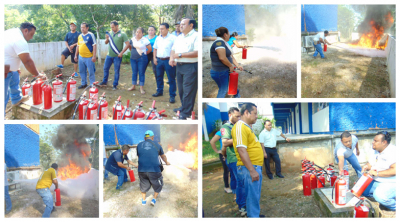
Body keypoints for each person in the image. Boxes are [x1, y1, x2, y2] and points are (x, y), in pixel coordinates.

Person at [232, 103, 267, 218]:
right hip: (248, 168)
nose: (257, 116)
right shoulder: (239, 127)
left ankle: (254, 215)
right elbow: (241, 150)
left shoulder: (246, 127)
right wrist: (252, 170)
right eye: (255, 113)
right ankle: (253, 217)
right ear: (246, 112)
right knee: (252, 196)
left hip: (253, 167)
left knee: (254, 195)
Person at [4, 22, 47, 113]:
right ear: (26, 30)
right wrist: (37, 74)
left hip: (7, 68)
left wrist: (14, 67)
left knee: (15, 77)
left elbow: (8, 51)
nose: (31, 37)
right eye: (31, 34)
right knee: (3, 97)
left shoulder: (11, 32)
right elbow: (27, 62)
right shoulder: (19, 40)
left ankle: (16, 99)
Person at [169, 18, 199, 119]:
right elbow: (173, 49)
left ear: (191, 25)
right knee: (181, 89)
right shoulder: (179, 37)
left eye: (183, 24)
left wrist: (180, 55)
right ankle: (183, 107)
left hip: (190, 66)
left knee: (189, 90)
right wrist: (171, 58)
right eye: (180, 24)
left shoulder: (196, 36)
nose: (180, 26)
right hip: (179, 66)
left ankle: (186, 113)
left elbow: (197, 52)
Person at [361, 131, 396, 211]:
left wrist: (377, 173)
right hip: (377, 181)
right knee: (360, 189)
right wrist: (366, 166)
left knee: (379, 196)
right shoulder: (377, 150)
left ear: (384, 142)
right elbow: (370, 163)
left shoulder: (393, 152)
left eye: (375, 141)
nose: (372, 142)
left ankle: (394, 205)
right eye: (373, 140)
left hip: (392, 182)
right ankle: (388, 196)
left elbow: (395, 170)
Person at [137, 130, 170, 206]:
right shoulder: (158, 145)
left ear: (145, 138)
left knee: (143, 184)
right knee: (159, 184)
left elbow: (139, 156)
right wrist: (166, 162)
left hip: (142, 170)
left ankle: (144, 201)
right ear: (152, 137)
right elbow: (163, 156)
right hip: (154, 170)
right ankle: (154, 199)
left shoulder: (139, 145)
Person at [210, 27, 243, 98]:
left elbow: (230, 56)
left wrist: (237, 65)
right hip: (220, 72)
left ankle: (238, 98)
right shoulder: (219, 43)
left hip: (224, 71)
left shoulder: (224, 43)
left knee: (233, 87)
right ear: (225, 34)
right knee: (223, 90)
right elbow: (222, 57)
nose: (229, 35)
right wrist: (231, 66)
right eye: (228, 33)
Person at [99, 21, 130, 91]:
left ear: (117, 26)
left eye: (113, 27)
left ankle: (115, 85)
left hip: (117, 56)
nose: (112, 28)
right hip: (109, 55)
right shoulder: (110, 33)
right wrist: (107, 38)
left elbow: (128, 44)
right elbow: (106, 43)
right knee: (105, 68)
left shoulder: (123, 34)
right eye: (111, 27)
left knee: (116, 71)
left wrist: (121, 53)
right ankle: (104, 82)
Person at [220, 107, 242, 205]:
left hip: (236, 157)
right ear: (230, 115)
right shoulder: (226, 127)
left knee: (233, 178)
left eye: (239, 116)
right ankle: (239, 200)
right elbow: (225, 143)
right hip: (233, 158)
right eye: (237, 116)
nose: (239, 118)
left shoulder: (237, 125)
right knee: (238, 180)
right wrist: (242, 139)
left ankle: (235, 195)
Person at [152, 23, 177, 103]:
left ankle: (172, 95)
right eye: (160, 29)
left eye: (162, 29)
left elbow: (176, 49)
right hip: (159, 60)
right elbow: (155, 49)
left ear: (167, 29)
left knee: (171, 78)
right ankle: (159, 91)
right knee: (159, 76)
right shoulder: (158, 38)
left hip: (169, 60)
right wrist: (154, 58)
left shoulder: (173, 38)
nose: (161, 30)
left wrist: (174, 60)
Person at [128, 27, 152, 94]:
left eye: (139, 32)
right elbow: (130, 46)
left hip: (142, 59)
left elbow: (149, 49)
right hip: (133, 58)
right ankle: (133, 86)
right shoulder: (132, 39)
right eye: (137, 32)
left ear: (142, 33)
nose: (138, 33)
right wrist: (133, 52)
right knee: (134, 72)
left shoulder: (145, 40)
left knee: (141, 73)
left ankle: (141, 88)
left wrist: (143, 54)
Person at [74, 22, 97, 89]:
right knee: (81, 71)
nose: (82, 29)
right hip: (81, 57)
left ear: (87, 28)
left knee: (91, 72)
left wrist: (94, 56)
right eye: (81, 27)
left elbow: (94, 45)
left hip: (89, 57)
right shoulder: (80, 36)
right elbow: (78, 46)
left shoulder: (91, 35)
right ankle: (83, 83)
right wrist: (76, 55)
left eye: (84, 27)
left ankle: (92, 84)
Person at [210, 128, 231, 193]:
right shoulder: (220, 133)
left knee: (232, 170)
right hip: (224, 153)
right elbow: (212, 141)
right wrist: (217, 151)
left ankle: (234, 186)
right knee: (226, 170)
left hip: (232, 154)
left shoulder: (232, 130)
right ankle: (226, 187)